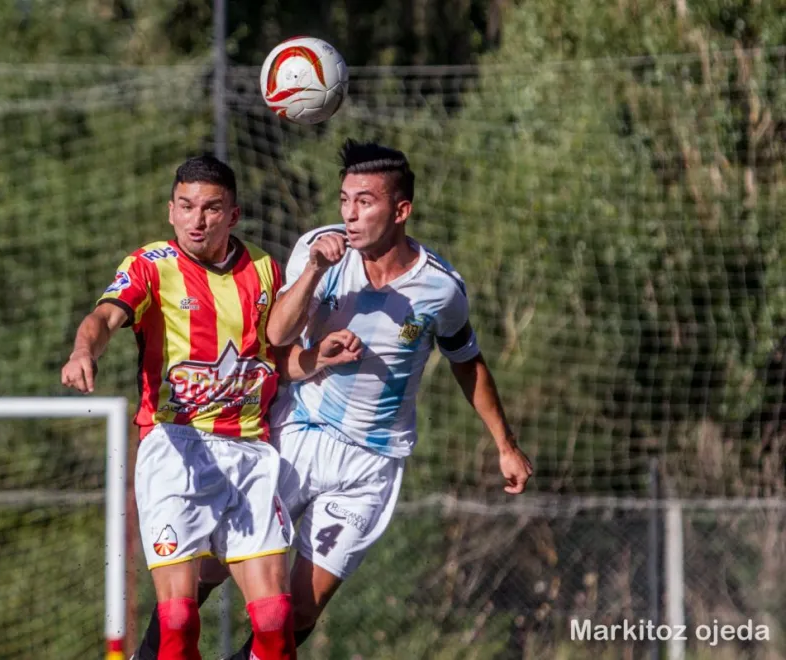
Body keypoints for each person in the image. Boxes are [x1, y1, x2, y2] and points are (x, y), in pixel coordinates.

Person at [131, 139, 534, 659]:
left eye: (364, 201)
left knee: (295, 613)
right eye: (345, 199)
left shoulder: (440, 289)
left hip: (371, 462)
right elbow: (276, 336)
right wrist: (315, 275)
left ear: (401, 210)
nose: (350, 213)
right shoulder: (320, 249)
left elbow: (467, 361)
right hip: (297, 431)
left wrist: (505, 443)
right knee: (206, 572)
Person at [60, 154, 361, 660]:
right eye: (186, 206)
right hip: (176, 447)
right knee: (177, 622)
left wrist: (316, 359)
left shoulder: (264, 271)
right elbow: (106, 317)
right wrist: (83, 350)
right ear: (171, 211)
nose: (197, 220)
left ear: (233, 215)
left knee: (275, 622)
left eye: (211, 208)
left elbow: (274, 360)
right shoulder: (151, 265)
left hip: (248, 451)